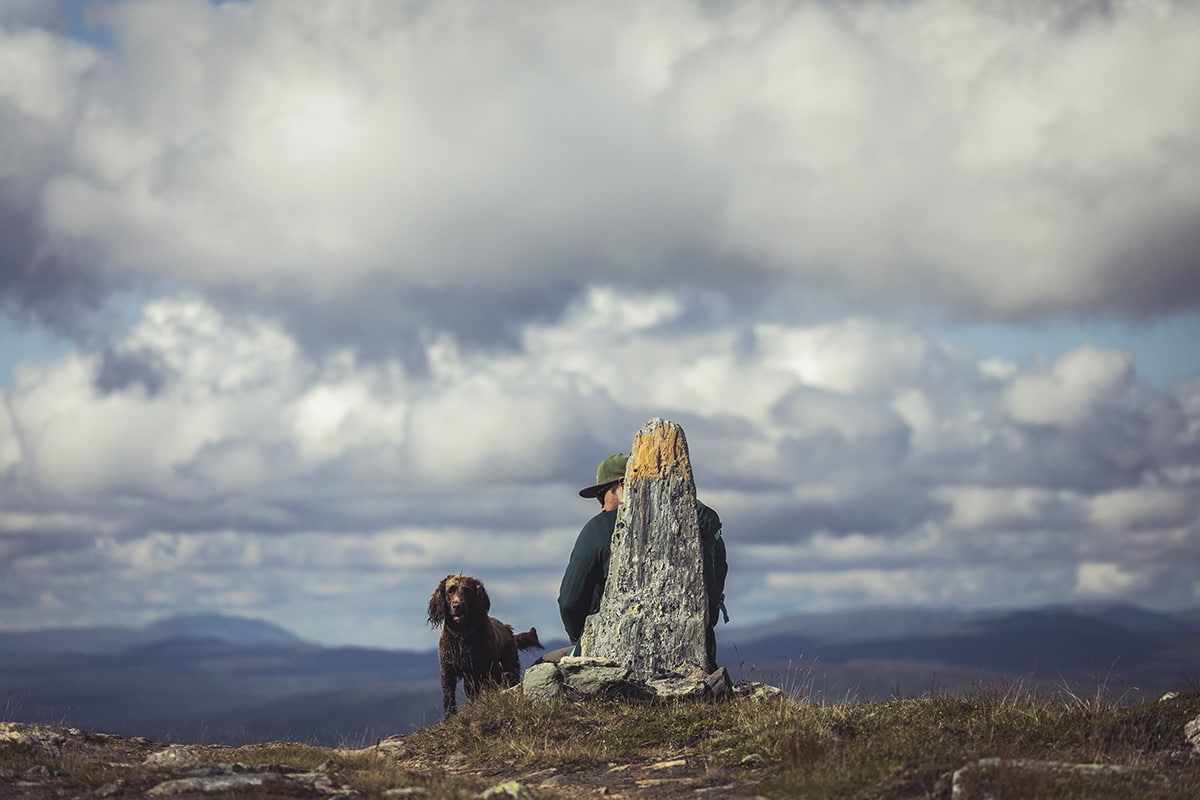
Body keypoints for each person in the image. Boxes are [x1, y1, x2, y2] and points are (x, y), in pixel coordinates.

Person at [555, 453, 728, 669]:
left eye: (602, 495)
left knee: (542, 669)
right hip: (694, 657)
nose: (601, 506)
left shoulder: (601, 527)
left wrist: (583, 638)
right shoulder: (700, 524)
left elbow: (570, 602)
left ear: (622, 484)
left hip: (615, 655)